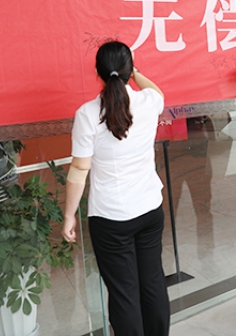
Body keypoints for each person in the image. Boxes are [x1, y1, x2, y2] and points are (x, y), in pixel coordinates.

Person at [61, 40, 170, 336]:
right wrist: (135, 73)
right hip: (149, 209)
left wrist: (69, 216)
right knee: (152, 282)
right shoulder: (148, 102)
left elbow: (79, 170)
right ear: (129, 71)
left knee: (124, 293)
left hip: (111, 218)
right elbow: (158, 93)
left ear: (98, 72)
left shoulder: (87, 114)